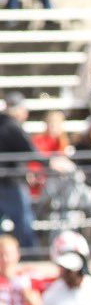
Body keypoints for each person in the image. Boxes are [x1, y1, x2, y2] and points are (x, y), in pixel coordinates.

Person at [0, 92, 40, 247]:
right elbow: (31, 151)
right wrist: (52, 163)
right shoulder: (11, 126)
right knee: (23, 222)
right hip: (11, 183)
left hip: (8, 180)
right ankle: (30, 256)